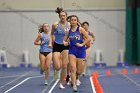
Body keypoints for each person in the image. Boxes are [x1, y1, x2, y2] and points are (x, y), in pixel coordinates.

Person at [63, 15, 90, 92]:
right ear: (70, 22)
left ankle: (77, 77)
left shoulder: (80, 29)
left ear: (77, 21)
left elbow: (88, 38)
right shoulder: (68, 31)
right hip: (72, 51)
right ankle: (74, 85)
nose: (73, 21)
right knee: (73, 68)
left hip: (81, 51)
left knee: (79, 71)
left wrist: (82, 44)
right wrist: (65, 43)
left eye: (75, 20)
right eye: (72, 20)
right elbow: (64, 40)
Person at [50, 7, 70, 89]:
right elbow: (51, 34)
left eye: (64, 15)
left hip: (65, 46)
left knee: (64, 66)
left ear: (66, 16)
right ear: (59, 16)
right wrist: (51, 43)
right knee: (58, 67)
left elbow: (71, 34)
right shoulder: (55, 25)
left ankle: (61, 83)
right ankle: (55, 69)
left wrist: (68, 41)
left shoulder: (69, 25)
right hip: (57, 45)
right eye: (61, 16)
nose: (62, 17)